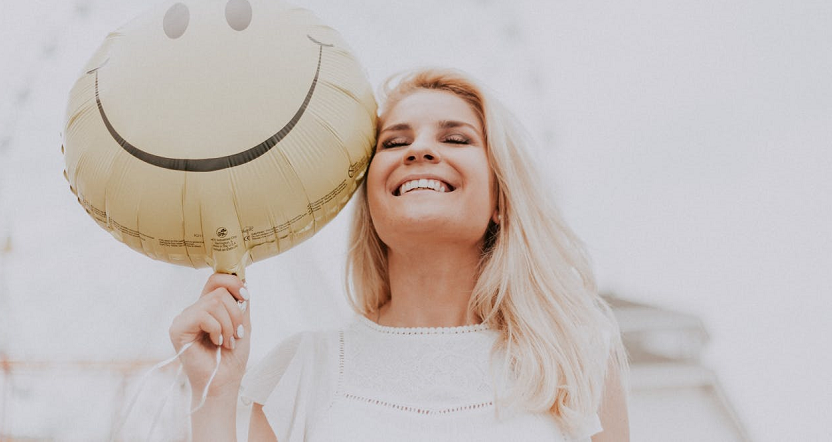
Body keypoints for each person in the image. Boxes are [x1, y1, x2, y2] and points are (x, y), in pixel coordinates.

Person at [170, 69, 630, 441]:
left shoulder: (573, 360)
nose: (420, 150)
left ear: (501, 202)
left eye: (455, 139)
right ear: (370, 202)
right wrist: (213, 393)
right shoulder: (305, 372)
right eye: (394, 142)